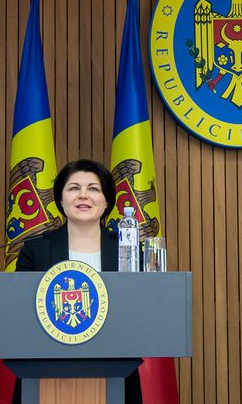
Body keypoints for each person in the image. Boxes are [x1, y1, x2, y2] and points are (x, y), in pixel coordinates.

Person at [13, 159, 142, 403]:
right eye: (74, 188)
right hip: (45, 370)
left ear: (106, 201)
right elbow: (19, 312)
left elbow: (140, 311)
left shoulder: (130, 250)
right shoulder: (36, 250)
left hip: (115, 369)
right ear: (61, 200)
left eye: (93, 188)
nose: (83, 195)